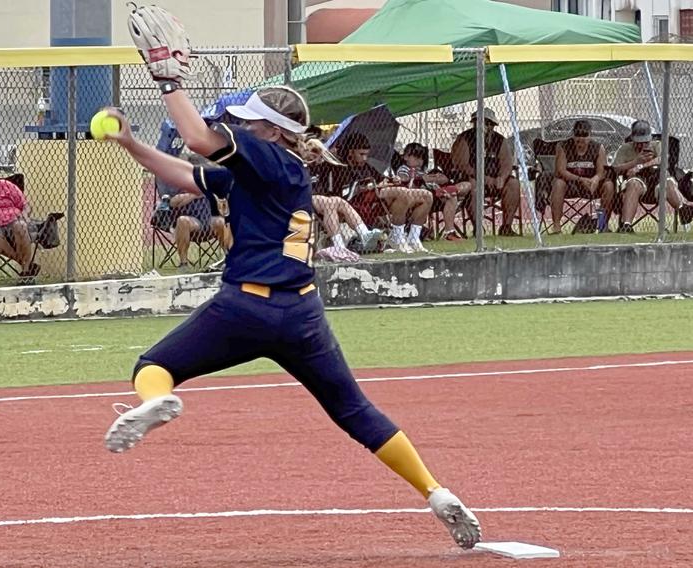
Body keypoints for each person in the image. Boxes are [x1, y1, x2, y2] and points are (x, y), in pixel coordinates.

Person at [102, 4, 481, 551]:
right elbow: (187, 172)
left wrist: (166, 79)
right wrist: (133, 145)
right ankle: (435, 490)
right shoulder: (273, 173)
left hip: (245, 308)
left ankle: (152, 401)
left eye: (250, 120)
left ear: (269, 130)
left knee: (155, 365)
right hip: (301, 314)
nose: (240, 124)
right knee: (354, 411)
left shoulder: (266, 157)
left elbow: (197, 138)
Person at [611, 120, 693, 233]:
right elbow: (615, 168)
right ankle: (626, 226)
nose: (642, 145)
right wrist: (634, 162)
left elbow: (663, 159)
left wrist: (640, 165)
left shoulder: (656, 145)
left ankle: (682, 210)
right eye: (638, 142)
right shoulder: (625, 148)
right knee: (633, 184)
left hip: (657, 183)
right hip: (638, 185)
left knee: (667, 181)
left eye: (645, 142)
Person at [451, 109, 521, 236]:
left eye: (490, 124)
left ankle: (507, 226)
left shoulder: (500, 140)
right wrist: (485, 178)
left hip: (495, 180)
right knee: (473, 185)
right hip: (473, 179)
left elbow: (507, 163)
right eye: (484, 123)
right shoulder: (464, 139)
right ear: (475, 123)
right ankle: (478, 228)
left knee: (513, 184)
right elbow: (463, 166)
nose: (487, 127)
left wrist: (502, 177)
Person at [548, 120, 616, 234]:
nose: (581, 139)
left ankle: (602, 225)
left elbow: (601, 172)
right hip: (570, 184)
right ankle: (556, 226)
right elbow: (561, 171)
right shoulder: (563, 146)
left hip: (591, 184)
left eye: (585, 135)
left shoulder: (598, 148)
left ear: (590, 135)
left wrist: (595, 179)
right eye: (577, 135)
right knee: (558, 183)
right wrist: (580, 179)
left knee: (608, 186)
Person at [394, 142, 469, 242]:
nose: (419, 161)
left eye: (421, 158)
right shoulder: (404, 169)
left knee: (465, 186)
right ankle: (449, 232)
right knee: (451, 196)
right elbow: (404, 178)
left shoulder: (423, 170)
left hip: (434, 193)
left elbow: (444, 179)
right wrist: (421, 178)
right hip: (419, 197)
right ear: (406, 157)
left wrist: (432, 177)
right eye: (415, 157)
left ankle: (449, 231)